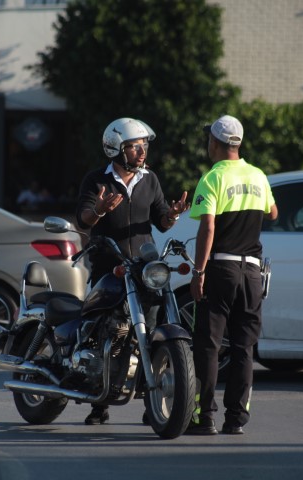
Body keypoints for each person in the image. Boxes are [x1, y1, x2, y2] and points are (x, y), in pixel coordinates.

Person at [76, 117, 189, 426]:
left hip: (143, 269)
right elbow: (82, 220)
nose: (141, 152)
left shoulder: (149, 179)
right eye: (134, 147)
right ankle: (99, 403)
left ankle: (151, 401)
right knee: (105, 332)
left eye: (144, 146)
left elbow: (161, 221)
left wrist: (173, 215)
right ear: (116, 148)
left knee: (150, 334)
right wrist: (99, 210)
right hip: (108, 267)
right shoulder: (97, 180)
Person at [186, 114, 278, 435]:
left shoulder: (213, 177)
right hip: (252, 272)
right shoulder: (258, 175)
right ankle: (236, 419)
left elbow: (208, 227)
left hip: (221, 268)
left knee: (208, 345)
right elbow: (273, 212)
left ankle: (204, 417)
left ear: (214, 142)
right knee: (243, 348)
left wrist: (198, 271)